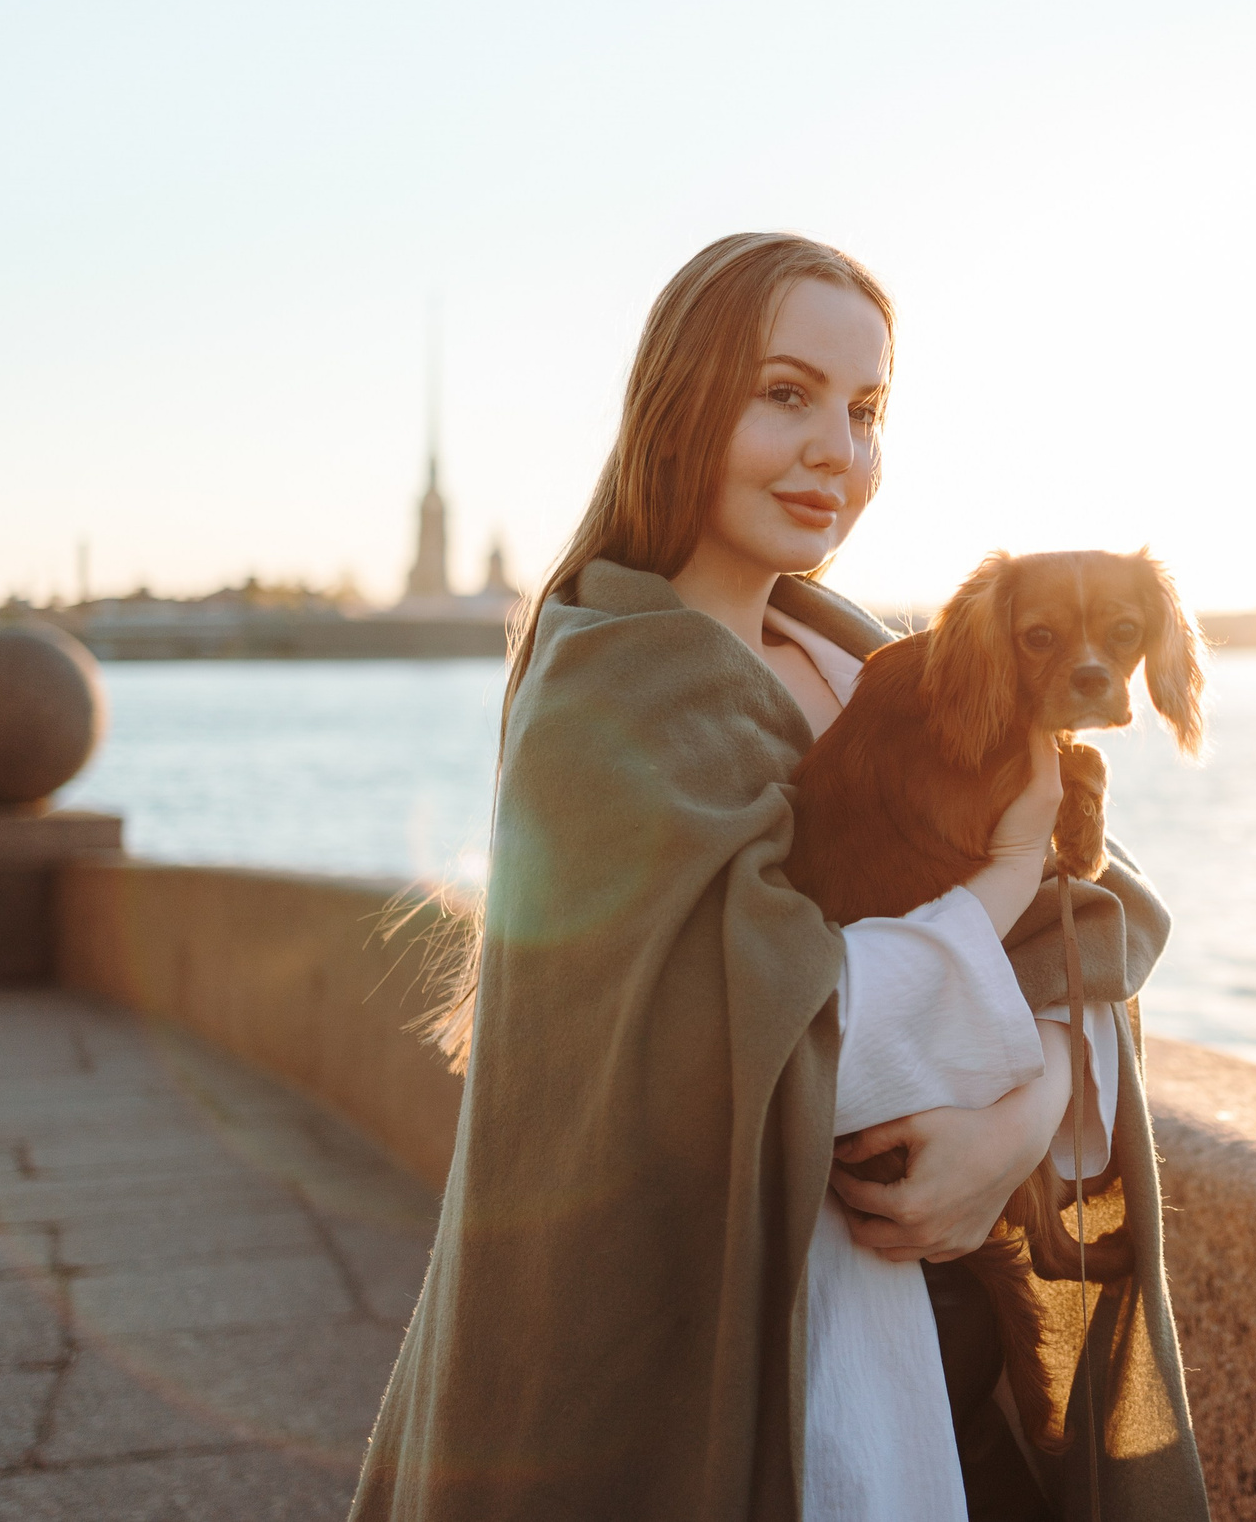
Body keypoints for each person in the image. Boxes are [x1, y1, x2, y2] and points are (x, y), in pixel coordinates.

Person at [350, 233, 1208, 1521]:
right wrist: (1016, 860)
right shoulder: (615, 692)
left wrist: (1016, 1131)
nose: (836, 452)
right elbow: (767, 1027)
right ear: (682, 405)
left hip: (937, 1330)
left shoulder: (863, 653)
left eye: (863, 412)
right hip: (737, 1353)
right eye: (785, 395)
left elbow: (1099, 919)